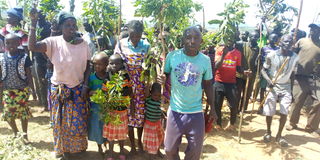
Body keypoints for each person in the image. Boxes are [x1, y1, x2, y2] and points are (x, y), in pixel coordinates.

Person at [28, 10, 91, 159]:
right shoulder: (53, 42)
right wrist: (33, 23)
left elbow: (89, 67)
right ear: (61, 27)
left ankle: (77, 149)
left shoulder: (84, 45)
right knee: (60, 122)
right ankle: (63, 150)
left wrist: (86, 86)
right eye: (68, 25)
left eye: (74, 25)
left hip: (77, 89)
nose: (71, 28)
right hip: (59, 90)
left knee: (77, 123)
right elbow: (32, 47)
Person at [162, 26, 217, 160]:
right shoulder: (172, 56)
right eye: (188, 37)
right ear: (182, 40)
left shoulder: (205, 60)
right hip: (175, 111)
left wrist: (213, 109)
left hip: (196, 112)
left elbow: (208, 85)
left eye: (196, 38)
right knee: (169, 150)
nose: (192, 41)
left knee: (194, 153)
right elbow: (165, 74)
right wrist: (162, 78)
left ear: (201, 41)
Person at [114, 20, 150, 153]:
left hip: (140, 85)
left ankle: (139, 142)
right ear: (128, 32)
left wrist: (147, 86)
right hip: (126, 84)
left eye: (138, 35)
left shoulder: (146, 45)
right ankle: (133, 146)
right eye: (132, 35)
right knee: (128, 115)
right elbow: (116, 62)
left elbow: (149, 67)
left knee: (140, 115)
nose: (135, 38)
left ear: (141, 34)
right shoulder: (121, 44)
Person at [261, 34, 298, 147]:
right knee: (269, 110)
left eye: (290, 42)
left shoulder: (295, 57)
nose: (288, 44)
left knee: (284, 111)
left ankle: (279, 135)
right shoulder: (272, 55)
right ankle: (268, 132)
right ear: (280, 43)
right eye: (286, 42)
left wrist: (291, 90)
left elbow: (293, 74)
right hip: (273, 86)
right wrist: (269, 80)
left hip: (286, 86)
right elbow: (263, 70)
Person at [0, 33, 36, 143]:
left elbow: (29, 75)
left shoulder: (24, 57)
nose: (10, 45)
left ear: (19, 43)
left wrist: (33, 90)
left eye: (13, 43)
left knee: (23, 113)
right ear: (4, 44)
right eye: (8, 43)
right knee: (8, 113)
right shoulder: (1, 57)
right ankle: (16, 132)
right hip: (7, 89)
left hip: (22, 90)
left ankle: (24, 135)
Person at [286, 23, 320, 137]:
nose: (313, 31)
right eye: (312, 28)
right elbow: (292, 54)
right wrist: (292, 48)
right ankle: (292, 122)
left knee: (318, 101)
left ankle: (311, 127)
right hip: (300, 77)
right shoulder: (302, 41)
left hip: (315, 79)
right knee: (298, 100)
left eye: (316, 29)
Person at [103, 54, 132, 160]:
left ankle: (121, 150)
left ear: (122, 64)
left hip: (122, 110)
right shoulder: (107, 76)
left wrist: (130, 104)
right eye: (111, 63)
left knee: (121, 133)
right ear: (108, 64)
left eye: (117, 63)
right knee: (111, 134)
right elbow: (105, 91)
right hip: (111, 110)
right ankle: (110, 152)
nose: (114, 65)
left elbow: (129, 91)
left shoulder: (125, 76)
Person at [214, 39, 248, 130]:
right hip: (219, 82)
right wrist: (224, 54)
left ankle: (232, 124)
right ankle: (218, 124)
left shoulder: (238, 53)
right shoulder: (219, 50)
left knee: (233, 105)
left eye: (231, 39)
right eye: (227, 39)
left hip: (231, 83)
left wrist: (244, 72)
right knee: (217, 104)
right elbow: (216, 65)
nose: (229, 41)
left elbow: (238, 68)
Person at [87, 53, 109, 154]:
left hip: (107, 108)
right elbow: (88, 92)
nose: (97, 66)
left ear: (106, 65)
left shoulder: (109, 77)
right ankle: (99, 146)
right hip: (95, 108)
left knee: (106, 126)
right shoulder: (91, 78)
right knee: (97, 127)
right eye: (95, 64)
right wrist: (94, 92)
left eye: (100, 64)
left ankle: (106, 144)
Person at [236, 32, 259, 112]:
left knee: (247, 93)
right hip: (240, 74)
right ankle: (236, 108)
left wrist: (257, 62)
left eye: (256, 37)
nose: (254, 38)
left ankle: (243, 108)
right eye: (252, 36)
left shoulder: (258, 49)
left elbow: (258, 64)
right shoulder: (242, 45)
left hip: (250, 75)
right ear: (249, 37)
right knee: (238, 92)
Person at [143, 82, 164, 159]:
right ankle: (151, 155)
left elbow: (158, 109)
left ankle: (157, 151)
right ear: (151, 93)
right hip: (149, 125)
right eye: (155, 95)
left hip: (157, 124)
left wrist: (162, 115)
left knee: (158, 139)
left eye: (158, 95)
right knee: (151, 141)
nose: (156, 97)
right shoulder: (148, 99)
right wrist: (148, 83)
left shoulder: (159, 101)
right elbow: (146, 92)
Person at [259, 33, 279, 105]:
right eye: (272, 38)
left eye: (276, 39)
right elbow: (260, 60)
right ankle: (261, 104)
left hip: (274, 72)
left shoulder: (278, 49)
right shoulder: (264, 48)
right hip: (265, 71)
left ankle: (270, 104)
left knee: (272, 88)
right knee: (263, 88)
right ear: (268, 39)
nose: (274, 40)